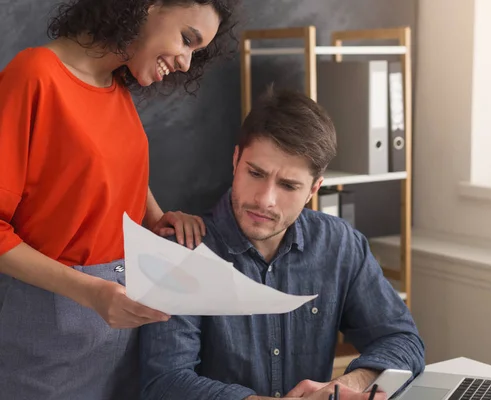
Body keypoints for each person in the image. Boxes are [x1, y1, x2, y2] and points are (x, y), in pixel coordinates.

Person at [0, 0, 238, 399]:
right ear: (148, 6)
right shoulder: (34, 75)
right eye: (186, 39)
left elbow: (103, 164)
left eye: (195, 52)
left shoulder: (115, 86)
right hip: (49, 334)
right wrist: (90, 292)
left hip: (122, 330)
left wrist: (155, 218)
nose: (184, 62)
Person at [139, 87, 425, 400]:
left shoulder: (340, 245)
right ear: (236, 160)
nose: (265, 200)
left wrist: (347, 386)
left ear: (314, 188)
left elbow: (403, 340)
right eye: (255, 173)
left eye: (288, 185)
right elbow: (164, 383)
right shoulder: (182, 251)